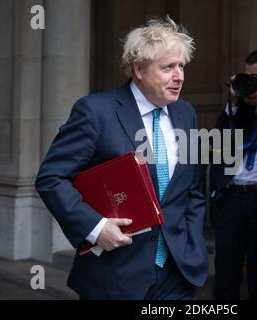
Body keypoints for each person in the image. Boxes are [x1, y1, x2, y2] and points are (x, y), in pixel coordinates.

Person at [35, 17, 208, 300]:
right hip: (115, 276)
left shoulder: (185, 113)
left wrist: (193, 242)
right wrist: (95, 227)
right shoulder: (95, 111)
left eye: (181, 66)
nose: (180, 76)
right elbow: (51, 179)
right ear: (138, 69)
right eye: (168, 68)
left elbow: (191, 190)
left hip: (178, 273)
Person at [210, 49, 257, 300]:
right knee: (226, 270)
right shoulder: (239, 109)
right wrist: (233, 103)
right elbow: (218, 141)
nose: (255, 83)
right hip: (233, 196)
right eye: (250, 77)